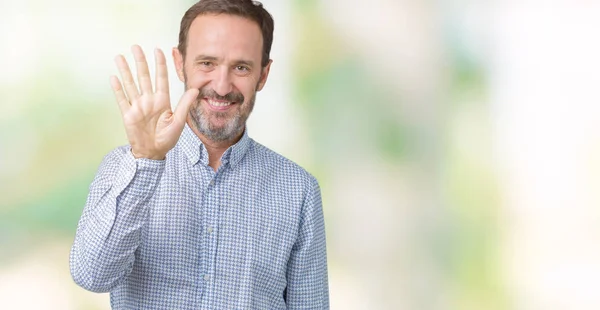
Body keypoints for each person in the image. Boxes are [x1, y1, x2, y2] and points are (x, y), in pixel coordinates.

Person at [69, 0, 329, 308]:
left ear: (263, 74)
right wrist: (147, 161)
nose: (221, 86)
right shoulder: (124, 167)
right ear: (180, 63)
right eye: (207, 63)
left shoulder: (299, 190)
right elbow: (91, 275)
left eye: (241, 67)